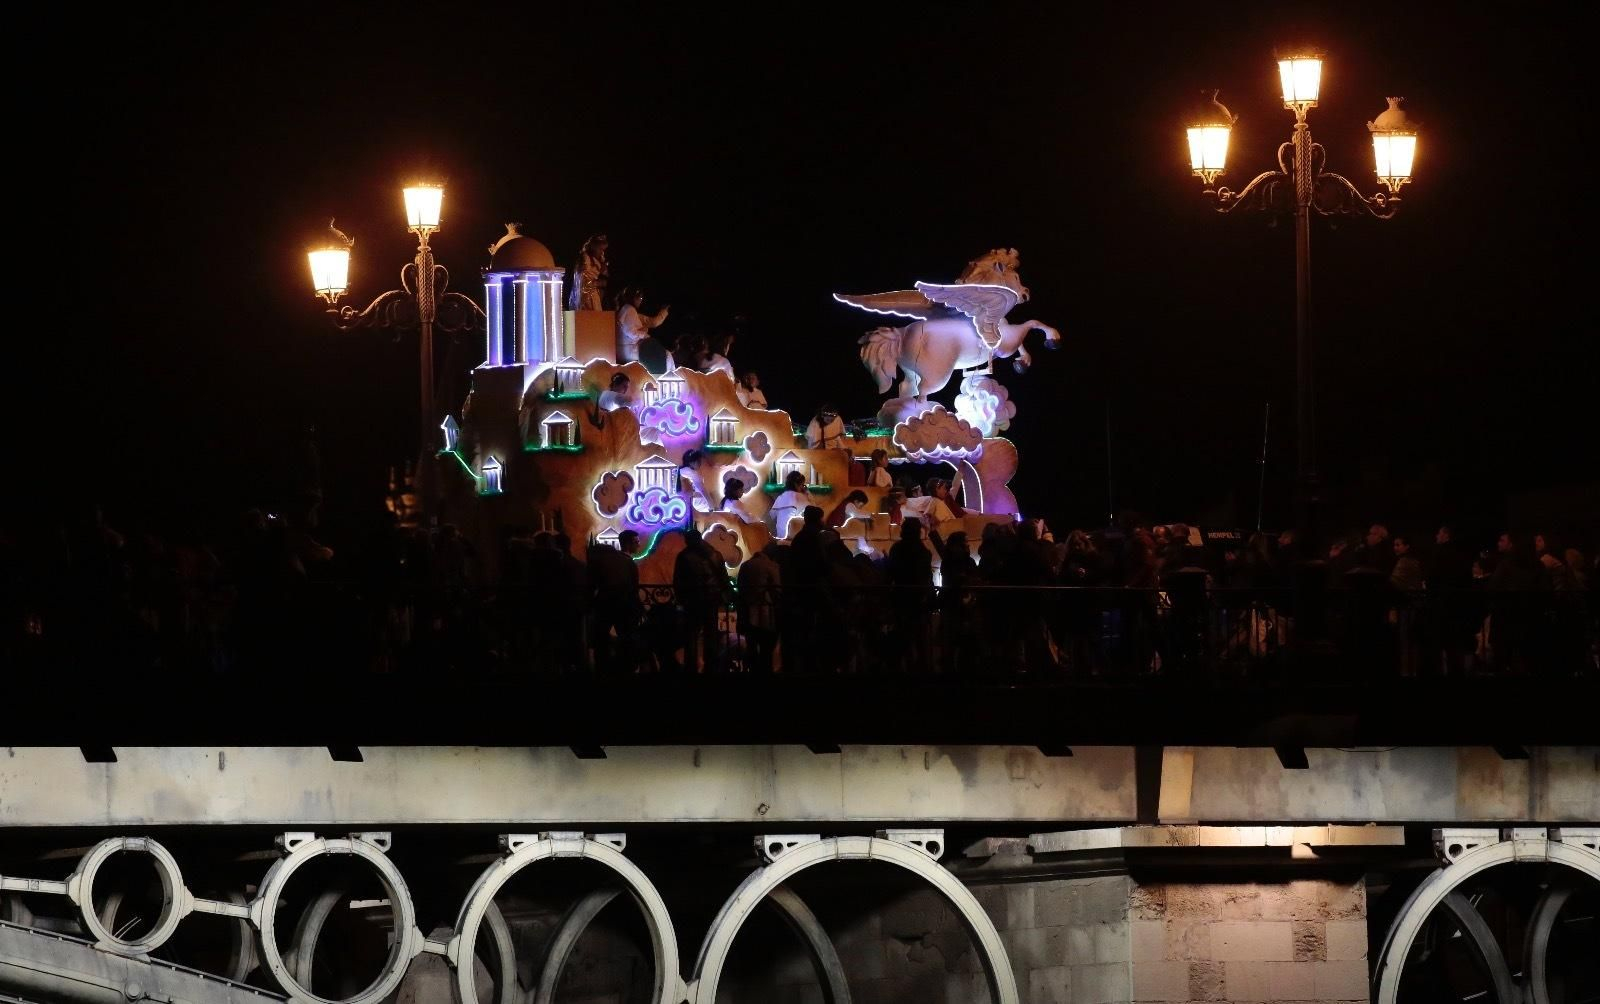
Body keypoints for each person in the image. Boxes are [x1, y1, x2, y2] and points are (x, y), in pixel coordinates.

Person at [737, 542, 781, 671]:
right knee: (766, 648)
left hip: (747, 611)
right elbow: (778, 590)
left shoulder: (746, 565)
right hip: (766, 613)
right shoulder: (772, 566)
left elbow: (740, 587)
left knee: (751, 646)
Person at [615, 287, 669, 364]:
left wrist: (663, 312)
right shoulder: (629, 310)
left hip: (626, 350)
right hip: (628, 351)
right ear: (633, 298)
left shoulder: (628, 310)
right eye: (640, 297)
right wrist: (646, 336)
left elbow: (652, 322)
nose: (641, 300)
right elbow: (631, 332)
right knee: (664, 356)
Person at [568, 234, 609, 311]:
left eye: (603, 250)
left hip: (593, 292)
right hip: (586, 294)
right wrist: (597, 283)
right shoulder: (585, 257)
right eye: (600, 249)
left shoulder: (597, 259)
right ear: (593, 247)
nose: (602, 252)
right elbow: (583, 277)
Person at [769, 471, 810, 539]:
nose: (803, 487)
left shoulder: (781, 497)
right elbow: (814, 511)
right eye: (802, 485)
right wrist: (807, 493)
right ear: (796, 484)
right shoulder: (800, 497)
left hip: (780, 536)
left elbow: (772, 515)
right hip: (794, 537)